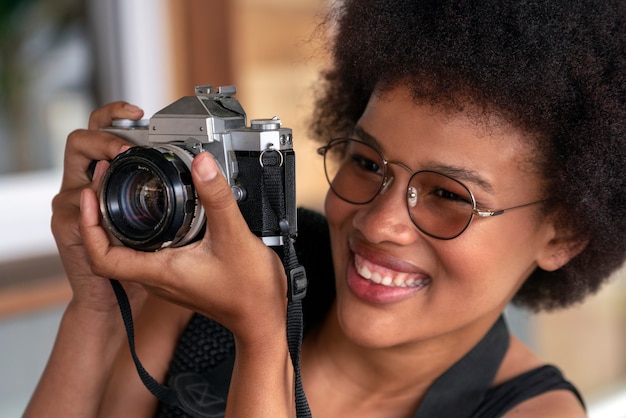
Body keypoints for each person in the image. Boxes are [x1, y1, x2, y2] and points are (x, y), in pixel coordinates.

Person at [25, 0, 626, 416]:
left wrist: (263, 337)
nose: (378, 223)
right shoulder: (241, 270)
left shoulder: (531, 413)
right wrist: (98, 305)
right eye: (367, 163)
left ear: (565, 234)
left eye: (448, 196)